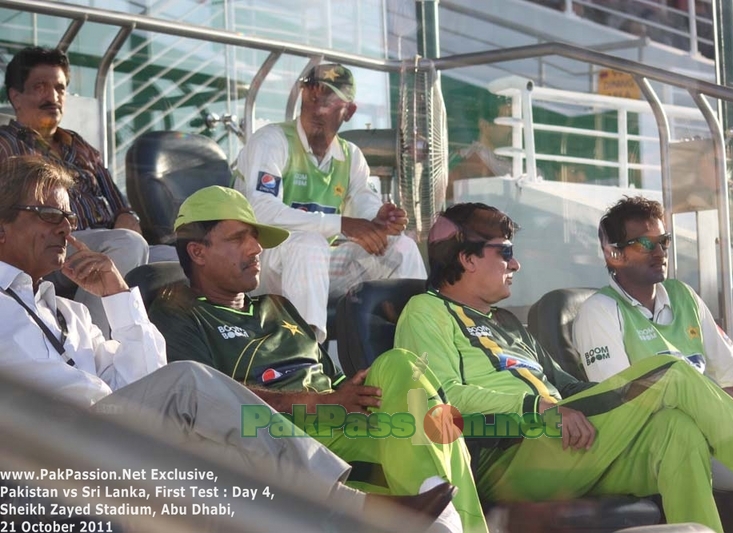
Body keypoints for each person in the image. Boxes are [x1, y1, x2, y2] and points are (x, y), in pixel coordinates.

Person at [0, 156, 454, 528]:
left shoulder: (70, 313)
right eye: (49, 215)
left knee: (222, 456)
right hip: (42, 444)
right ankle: (351, 508)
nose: (67, 229)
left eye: (69, 216)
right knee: (190, 383)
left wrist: (120, 297)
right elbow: (172, 384)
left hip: (109, 436)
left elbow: (142, 380)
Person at [393, 202, 733, 533]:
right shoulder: (426, 311)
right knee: (671, 371)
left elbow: (568, 388)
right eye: (506, 252)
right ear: (466, 259)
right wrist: (541, 409)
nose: (515, 265)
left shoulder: (506, 323)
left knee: (677, 428)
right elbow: (443, 398)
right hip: (505, 452)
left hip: (563, 442)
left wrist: (573, 404)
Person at [148, 185, 487, 533]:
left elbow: (332, 378)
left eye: (255, 237)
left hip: (338, 418)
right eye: (238, 239)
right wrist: (318, 402)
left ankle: (438, 516)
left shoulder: (276, 306)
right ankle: (443, 520)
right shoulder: (177, 311)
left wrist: (359, 392)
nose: (256, 248)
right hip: (280, 438)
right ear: (197, 252)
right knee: (425, 449)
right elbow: (210, 400)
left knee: (409, 379)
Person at [572, 195, 733, 520]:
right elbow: (621, 405)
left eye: (663, 241)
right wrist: (719, 402)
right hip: (670, 442)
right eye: (644, 244)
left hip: (727, 435)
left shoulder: (683, 296)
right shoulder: (599, 312)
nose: (660, 251)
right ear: (615, 254)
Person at [233, 63, 426, 342]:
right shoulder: (271, 140)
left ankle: (422, 347)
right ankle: (308, 357)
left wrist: (379, 220)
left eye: (328, 99)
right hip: (258, 263)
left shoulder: (351, 156)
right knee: (310, 244)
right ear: (302, 93)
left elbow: (362, 200)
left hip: (315, 267)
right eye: (313, 94)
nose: (317, 106)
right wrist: (343, 224)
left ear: (349, 112)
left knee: (402, 249)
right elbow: (260, 212)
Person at [0, 46, 177, 336]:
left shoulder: (80, 147)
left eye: (59, 88)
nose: (52, 96)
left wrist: (125, 216)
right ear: (15, 97)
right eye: (40, 87)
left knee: (181, 259)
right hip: (47, 241)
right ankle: (91, 349)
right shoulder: (6, 145)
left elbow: (120, 206)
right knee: (127, 245)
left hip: (106, 241)